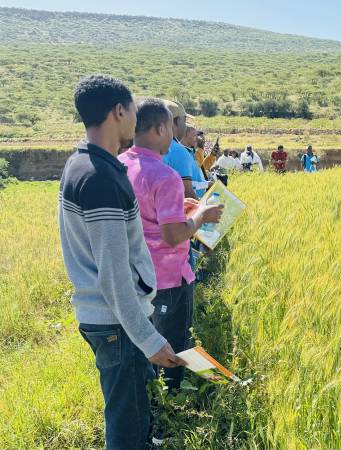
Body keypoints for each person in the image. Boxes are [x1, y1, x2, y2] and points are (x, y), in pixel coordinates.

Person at [58, 75, 184, 450]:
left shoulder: (81, 163)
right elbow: (114, 275)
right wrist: (147, 338)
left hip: (106, 319)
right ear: (118, 112)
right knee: (126, 422)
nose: (135, 118)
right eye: (132, 110)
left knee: (128, 408)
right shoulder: (101, 179)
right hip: (116, 323)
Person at [118, 98, 223, 394]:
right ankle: (170, 408)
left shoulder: (120, 165)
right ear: (161, 127)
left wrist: (181, 208)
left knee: (144, 345)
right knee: (173, 348)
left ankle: (147, 399)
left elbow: (146, 217)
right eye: (171, 129)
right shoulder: (164, 174)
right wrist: (201, 215)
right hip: (168, 279)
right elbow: (173, 236)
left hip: (134, 277)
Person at [162, 100, 199, 200]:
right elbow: (188, 194)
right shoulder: (178, 151)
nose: (185, 125)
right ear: (176, 121)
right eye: (184, 120)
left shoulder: (152, 146)